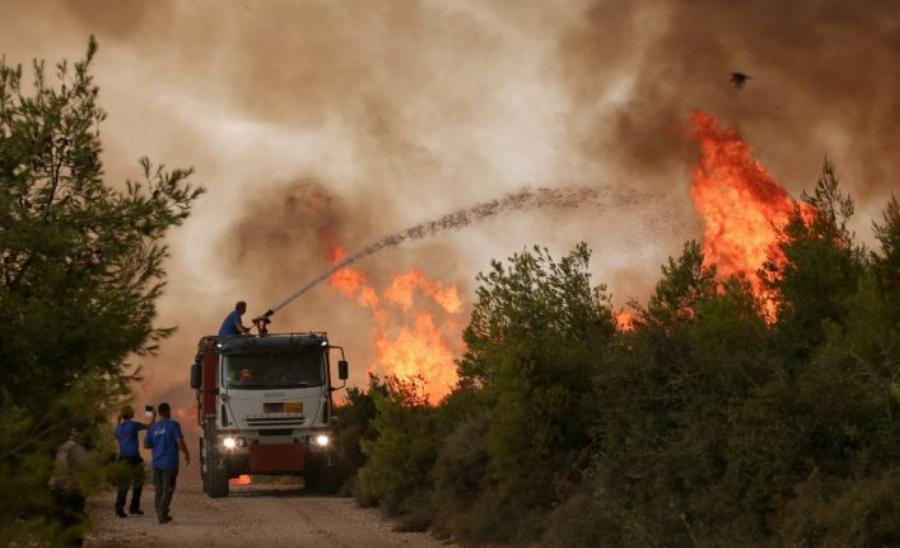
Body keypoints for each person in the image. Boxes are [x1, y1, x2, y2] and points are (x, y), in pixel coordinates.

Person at [144, 402, 190, 524]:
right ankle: (162, 513)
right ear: (168, 411)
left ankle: (159, 510)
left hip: (157, 463)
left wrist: (157, 442)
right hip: (170, 463)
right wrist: (186, 453)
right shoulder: (173, 425)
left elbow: (146, 445)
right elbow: (179, 441)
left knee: (159, 489)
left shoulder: (153, 427)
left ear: (159, 413)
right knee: (168, 489)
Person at [48, 427, 93, 546]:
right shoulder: (76, 448)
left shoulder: (63, 447)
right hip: (70, 493)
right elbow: (90, 466)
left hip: (57, 492)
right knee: (74, 531)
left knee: (61, 529)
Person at [113, 405, 155, 518]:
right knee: (138, 483)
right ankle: (134, 507)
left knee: (123, 485)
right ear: (130, 414)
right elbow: (150, 426)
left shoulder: (118, 428)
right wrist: (153, 414)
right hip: (134, 458)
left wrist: (118, 422)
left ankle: (119, 509)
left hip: (122, 458)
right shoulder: (134, 425)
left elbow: (117, 435)